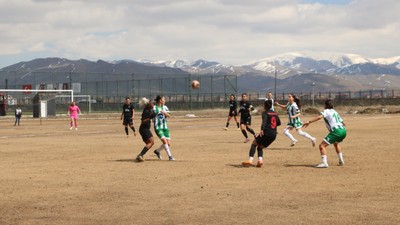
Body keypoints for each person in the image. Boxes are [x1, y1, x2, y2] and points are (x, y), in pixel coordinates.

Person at [302, 99, 346, 168]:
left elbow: (320, 117)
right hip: (343, 131)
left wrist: (309, 121)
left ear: (325, 105)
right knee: (336, 143)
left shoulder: (326, 111)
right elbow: (344, 123)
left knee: (322, 146)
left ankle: (324, 163)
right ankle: (341, 160)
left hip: (336, 131)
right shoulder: (335, 111)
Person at [242, 100, 281, 167]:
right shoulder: (275, 113)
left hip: (266, 132)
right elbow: (279, 123)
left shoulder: (265, 113)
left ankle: (250, 160)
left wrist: (262, 130)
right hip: (273, 135)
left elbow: (264, 122)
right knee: (260, 147)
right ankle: (260, 160)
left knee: (254, 143)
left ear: (265, 106)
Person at [152, 95, 175, 161]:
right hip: (158, 127)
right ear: (160, 100)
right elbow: (151, 115)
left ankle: (157, 151)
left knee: (168, 143)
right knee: (164, 141)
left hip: (165, 127)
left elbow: (168, 115)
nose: (165, 100)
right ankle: (170, 156)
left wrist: (164, 112)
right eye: (164, 99)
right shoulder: (154, 108)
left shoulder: (165, 107)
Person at [136, 98, 156, 162]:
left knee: (149, 143)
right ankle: (140, 155)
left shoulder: (150, 110)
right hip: (144, 129)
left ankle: (140, 155)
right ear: (148, 105)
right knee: (151, 142)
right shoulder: (146, 111)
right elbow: (143, 121)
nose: (153, 104)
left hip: (144, 129)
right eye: (151, 103)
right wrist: (150, 117)